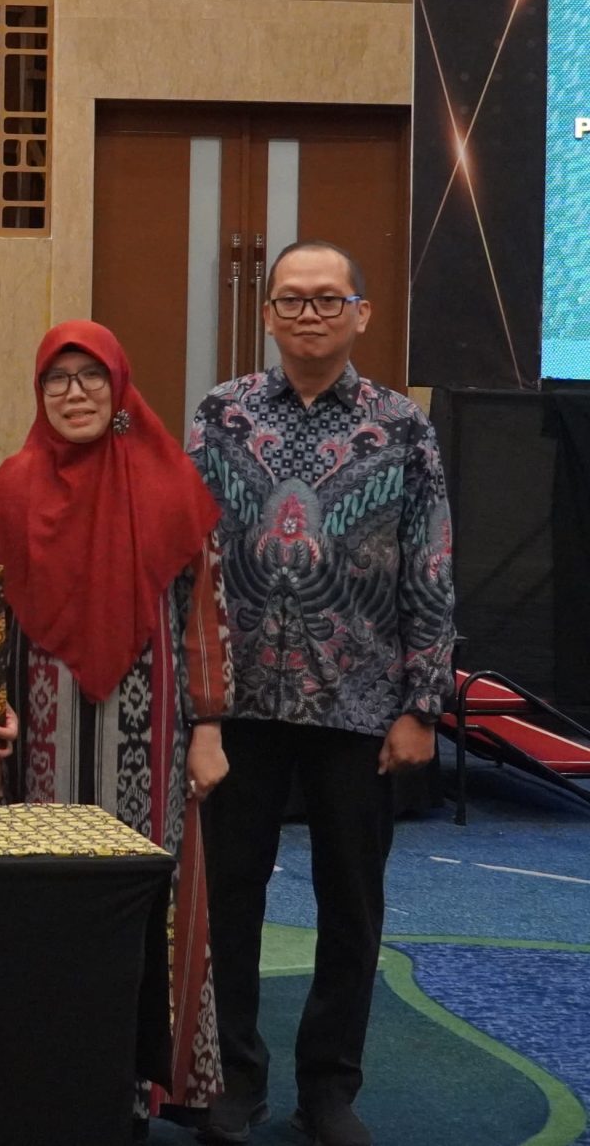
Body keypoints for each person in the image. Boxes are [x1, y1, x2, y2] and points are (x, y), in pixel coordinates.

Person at [187, 243, 455, 1146]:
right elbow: (192, 558)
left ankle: (330, 1089)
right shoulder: (222, 414)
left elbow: (431, 564)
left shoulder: (402, 426)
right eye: (292, 300)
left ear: (361, 313)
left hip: (362, 705)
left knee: (352, 902)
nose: (309, 313)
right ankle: (234, 1081)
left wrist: (422, 705)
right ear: (267, 313)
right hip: (241, 704)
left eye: (328, 299)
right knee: (230, 898)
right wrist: (197, 700)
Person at [0, 320, 231, 1126]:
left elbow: (204, 614)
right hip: (39, 744)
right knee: (45, 896)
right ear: (39, 392)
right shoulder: (12, 486)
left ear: (119, 389)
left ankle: (141, 1085)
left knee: (148, 893)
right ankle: (46, 1076)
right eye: (58, 379)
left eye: (91, 377)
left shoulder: (169, 482)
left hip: (152, 737)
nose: (75, 393)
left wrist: (210, 726)